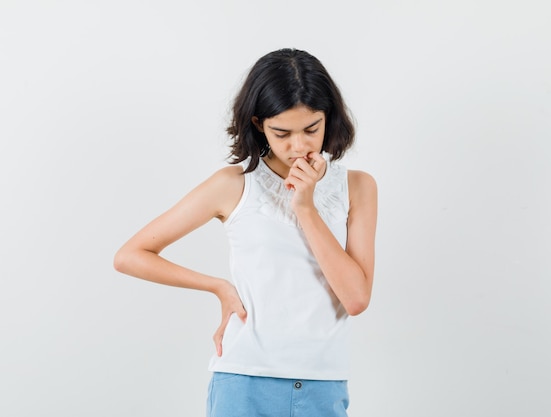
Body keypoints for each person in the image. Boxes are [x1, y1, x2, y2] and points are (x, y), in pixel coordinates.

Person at [113, 48, 377, 417]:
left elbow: (356, 298)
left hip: (323, 381)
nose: (298, 146)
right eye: (282, 132)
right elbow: (130, 256)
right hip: (244, 380)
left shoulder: (358, 187)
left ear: (328, 119)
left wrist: (305, 206)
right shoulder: (234, 185)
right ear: (258, 123)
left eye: (311, 129)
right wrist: (218, 287)